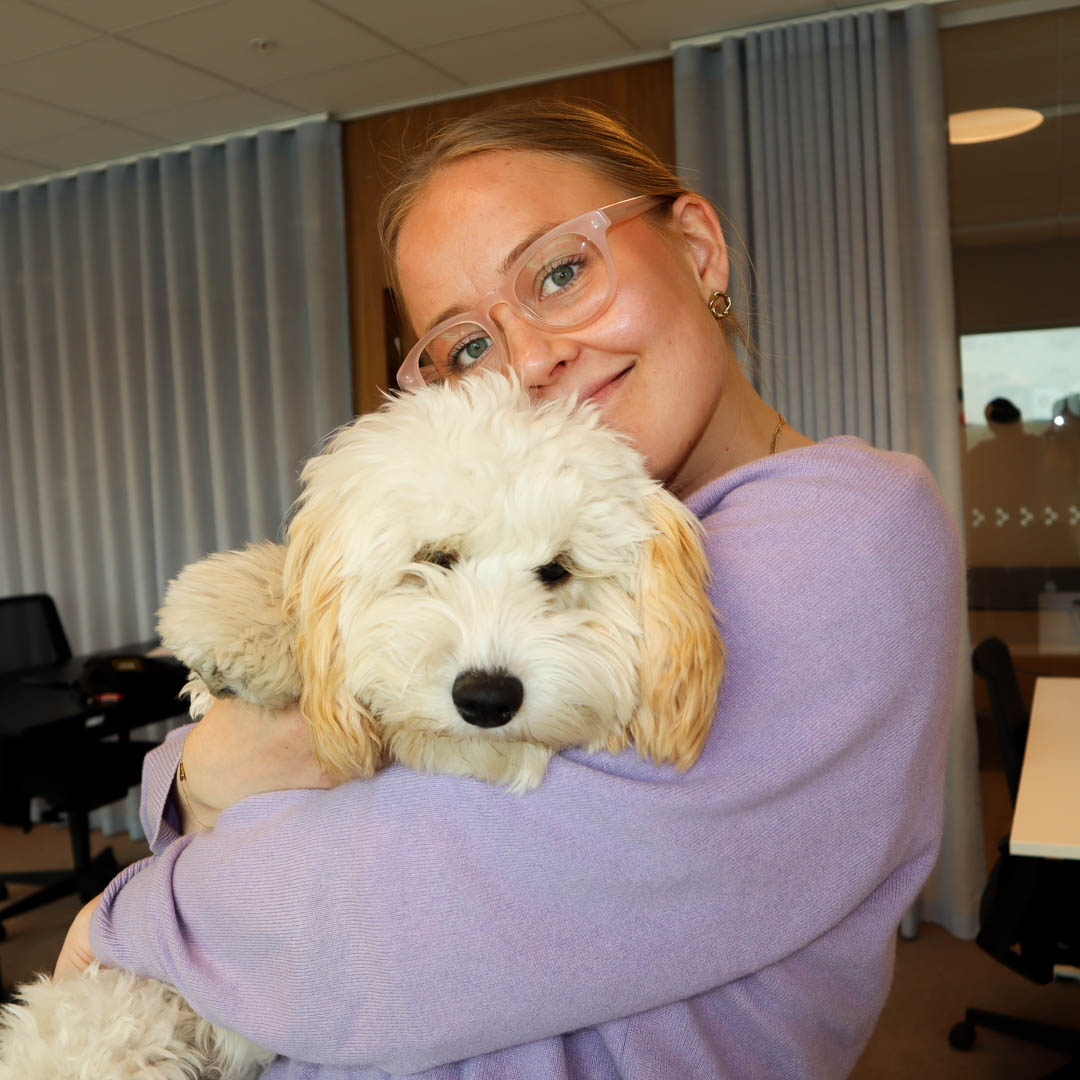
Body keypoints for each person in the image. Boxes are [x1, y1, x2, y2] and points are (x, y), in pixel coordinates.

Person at [59, 100, 963, 1079]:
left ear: (698, 247)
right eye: (467, 346)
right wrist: (204, 775)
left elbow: (369, 929)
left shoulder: (845, 531)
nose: (531, 362)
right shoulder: (545, 539)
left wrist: (123, 922)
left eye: (561, 272)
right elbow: (228, 759)